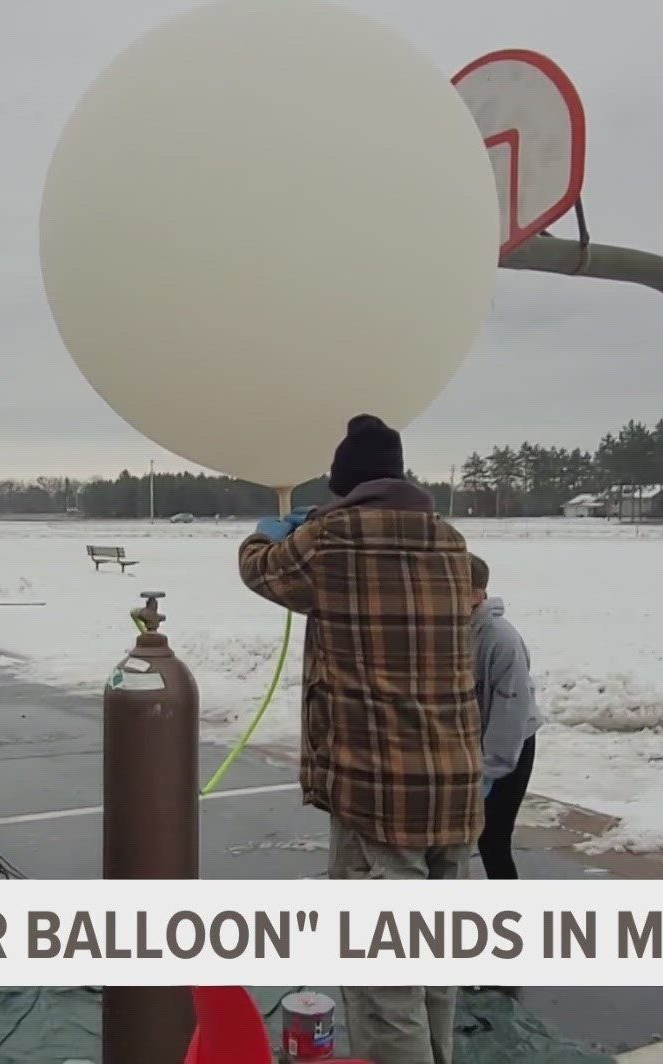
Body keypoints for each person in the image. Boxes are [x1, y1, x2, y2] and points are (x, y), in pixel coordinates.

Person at [238, 414, 481, 1064]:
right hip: (454, 792)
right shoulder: (450, 542)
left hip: (379, 796)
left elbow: (258, 570)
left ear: (343, 486)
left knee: (383, 982)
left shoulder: (332, 540)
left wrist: (278, 531)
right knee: (432, 965)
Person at [469, 555, 543, 881]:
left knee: (493, 838)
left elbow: (510, 712)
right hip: (476, 742)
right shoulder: (454, 628)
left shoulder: (500, 639)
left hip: (511, 746)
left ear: (475, 593)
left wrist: (490, 771)